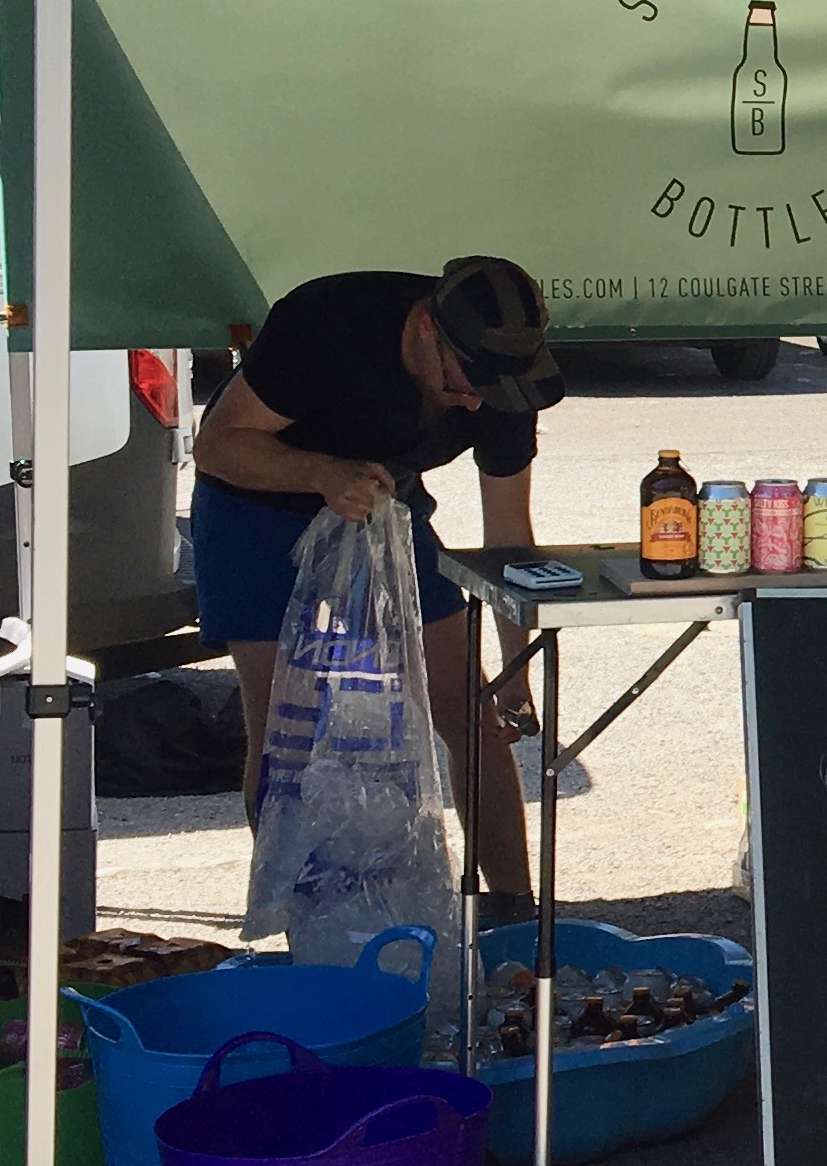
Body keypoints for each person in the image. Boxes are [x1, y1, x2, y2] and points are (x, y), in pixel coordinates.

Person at [188, 257, 557, 904]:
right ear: (423, 330)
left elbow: (508, 535)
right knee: (283, 730)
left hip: (381, 500)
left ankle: (518, 917)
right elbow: (217, 444)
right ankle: (304, 920)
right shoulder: (327, 322)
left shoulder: (503, 381)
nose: (474, 402)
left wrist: (517, 669)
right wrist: (321, 475)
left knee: (470, 713)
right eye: (464, 382)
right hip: (256, 497)